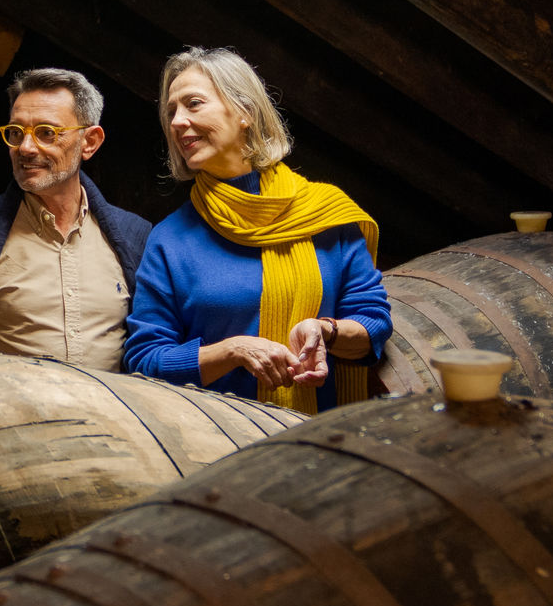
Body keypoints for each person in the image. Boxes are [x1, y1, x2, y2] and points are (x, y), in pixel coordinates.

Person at [124, 47, 390, 414]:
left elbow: (374, 324)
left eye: (193, 104)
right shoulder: (171, 240)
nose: (177, 121)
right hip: (216, 442)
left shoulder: (325, 214)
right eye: (171, 111)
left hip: (321, 440)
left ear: (245, 112)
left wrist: (326, 331)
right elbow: (144, 360)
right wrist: (233, 351)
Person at [0, 68, 151, 371]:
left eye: (46, 132)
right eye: (16, 133)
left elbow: (153, 348)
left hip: (115, 417)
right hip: (8, 418)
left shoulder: (135, 238)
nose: (25, 148)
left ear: (90, 142)